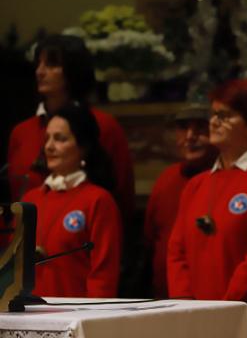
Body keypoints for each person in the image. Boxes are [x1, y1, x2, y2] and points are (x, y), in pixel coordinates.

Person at [167, 79, 247, 338]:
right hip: (198, 317)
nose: (214, 122)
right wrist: (185, 305)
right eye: (214, 114)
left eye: (225, 116)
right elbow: (176, 252)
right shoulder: (196, 184)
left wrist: (225, 307)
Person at [7, 34, 135, 223]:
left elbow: (122, 200)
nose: (40, 72)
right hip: (29, 234)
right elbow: (13, 200)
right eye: (38, 64)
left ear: (73, 70)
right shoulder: (22, 133)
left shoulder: (103, 126)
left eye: (51, 64)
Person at [23, 103, 122, 297]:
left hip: (75, 312)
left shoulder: (98, 200)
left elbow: (103, 276)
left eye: (60, 139)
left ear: (83, 147)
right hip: (29, 311)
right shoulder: (30, 199)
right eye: (47, 139)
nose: (49, 146)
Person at [144, 102, 217, 298]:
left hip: (210, 298)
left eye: (201, 128)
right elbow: (150, 239)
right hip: (164, 295)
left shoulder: (224, 180)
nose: (190, 136)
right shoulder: (166, 179)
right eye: (183, 128)